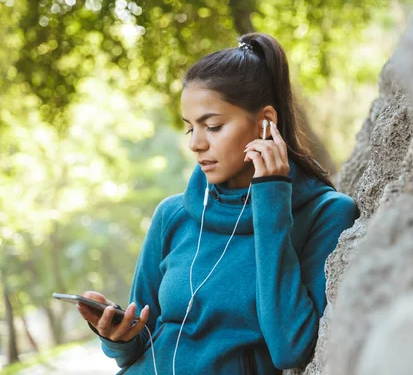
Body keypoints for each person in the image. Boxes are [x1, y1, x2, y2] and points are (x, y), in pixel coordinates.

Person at [77, 32, 359, 375]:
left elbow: (290, 348)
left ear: (265, 122)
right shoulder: (172, 215)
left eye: (212, 126)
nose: (196, 144)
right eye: (189, 129)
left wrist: (270, 201)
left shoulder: (326, 214)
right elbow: (138, 346)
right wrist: (116, 337)